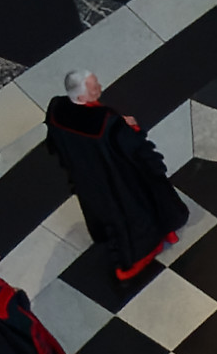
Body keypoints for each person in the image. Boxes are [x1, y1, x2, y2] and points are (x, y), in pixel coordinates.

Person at [37, 72, 186, 293]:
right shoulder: (107, 123)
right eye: (94, 86)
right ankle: (133, 263)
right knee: (134, 214)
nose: (100, 86)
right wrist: (131, 128)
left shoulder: (58, 109)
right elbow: (134, 150)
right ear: (82, 96)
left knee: (106, 214)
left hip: (87, 179)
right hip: (118, 182)